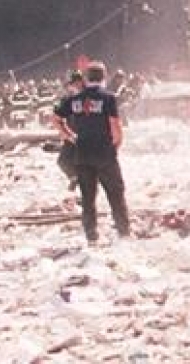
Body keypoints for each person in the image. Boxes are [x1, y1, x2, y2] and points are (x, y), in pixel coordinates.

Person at [52, 60, 131, 242]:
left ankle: (91, 236)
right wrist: (116, 144)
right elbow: (115, 125)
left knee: (88, 198)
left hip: (82, 153)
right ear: (104, 77)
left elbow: (55, 119)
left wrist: (69, 136)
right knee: (115, 193)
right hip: (104, 152)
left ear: (87, 78)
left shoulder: (74, 100)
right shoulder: (108, 98)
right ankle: (124, 232)